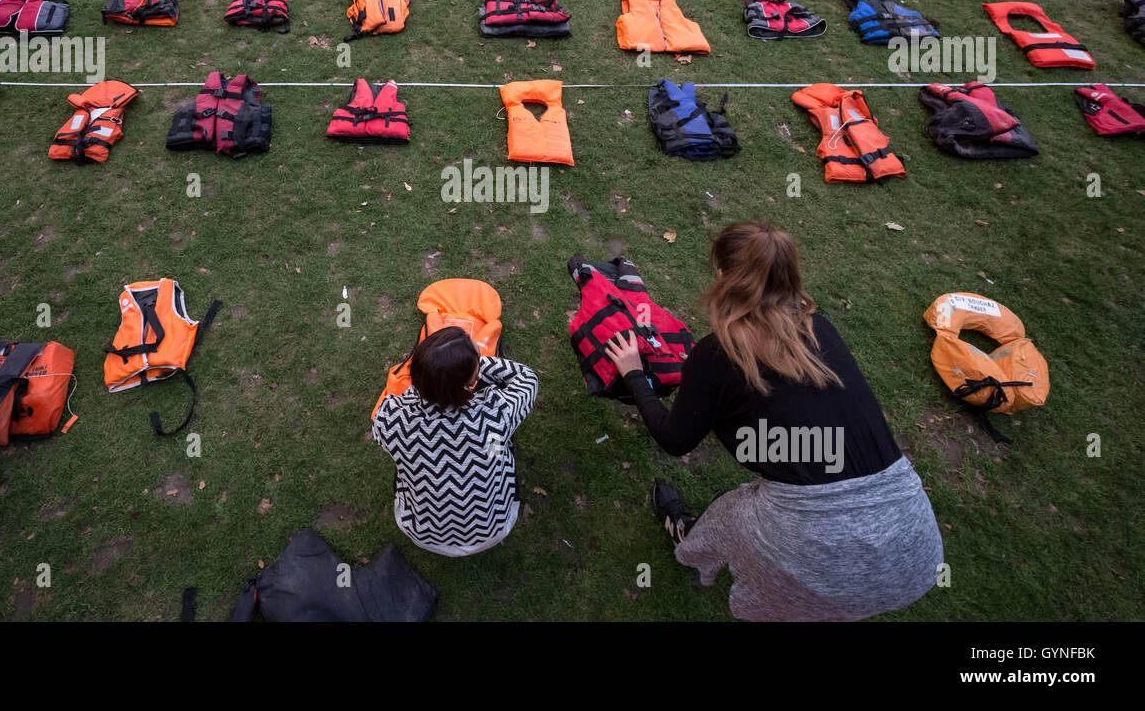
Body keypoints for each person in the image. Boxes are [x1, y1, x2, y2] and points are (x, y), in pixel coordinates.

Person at [604, 219, 943, 621]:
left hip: (808, 539)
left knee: (733, 518)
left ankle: (688, 539)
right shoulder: (822, 330)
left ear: (722, 277)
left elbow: (675, 440)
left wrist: (634, 374)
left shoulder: (717, 355)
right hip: (914, 543)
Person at [372, 326, 539, 557]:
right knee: (498, 446)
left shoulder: (390, 420)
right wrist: (478, 364)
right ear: (471, 377)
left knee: (403, 461)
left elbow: (398, 401)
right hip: (495, 528)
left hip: (422, 534)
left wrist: (436, 376)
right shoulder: (496, 413)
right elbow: (527, 378)